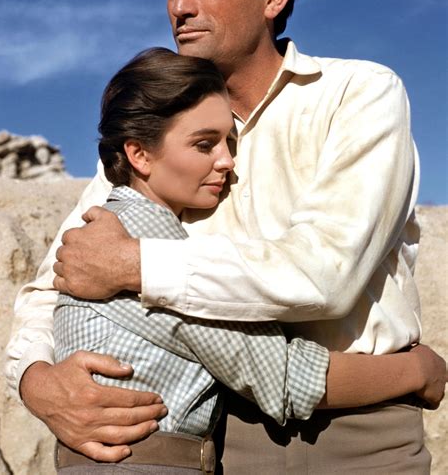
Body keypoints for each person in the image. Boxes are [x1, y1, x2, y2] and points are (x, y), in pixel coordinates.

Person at [6, 0, 446, 473]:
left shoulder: (357, 95)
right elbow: (61, 279)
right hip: (214, 438)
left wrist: (134, 266)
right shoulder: (159, 132)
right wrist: (37, 383)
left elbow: (325, 274)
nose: (180, 7)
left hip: (359, 435)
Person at [53, 46, 442, 474]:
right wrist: (414, 372)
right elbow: (281, 376)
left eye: (229, 142)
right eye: (205, 145)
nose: (228, 162)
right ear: (138, 155)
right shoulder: (135, 236)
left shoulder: (109, 228)